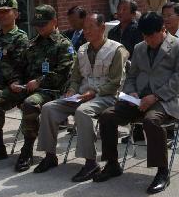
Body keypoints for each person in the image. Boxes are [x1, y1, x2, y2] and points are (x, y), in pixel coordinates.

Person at [94, 12, 179, 194]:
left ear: (163, 30)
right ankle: (112, 163)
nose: (147, 40)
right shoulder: (140, 47)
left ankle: (162, 171)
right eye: (144, 36)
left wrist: (155, 97)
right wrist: (132, 92)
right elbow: (131, 76)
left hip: (165, 100)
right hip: (137, 99)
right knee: (107, 116)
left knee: (151, 121)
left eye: (151, 36)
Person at [34, 13, 129, 180]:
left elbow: (116, 82)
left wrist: (93, 93)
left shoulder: (116, 50)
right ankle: (50, 156)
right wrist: (71, 90)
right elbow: (76, 77)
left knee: (83, 112)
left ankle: (91, 163)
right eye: (85, 28)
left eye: (91, 27)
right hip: (81, 95)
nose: (87, 31)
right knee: (49, 108)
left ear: (102, 28)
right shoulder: (82, 49)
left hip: (107, 96)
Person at [9, 5, 75, 173]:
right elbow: (19, 67)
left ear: (54, 22)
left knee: (30, 103)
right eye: (37, 25)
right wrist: (15, 81)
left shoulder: (63, 44)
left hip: (51, 91)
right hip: (28, 88)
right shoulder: (32, 44)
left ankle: (27, 149)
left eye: (43, 24)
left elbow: (64, 73)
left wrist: (39, 81)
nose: (39, 28)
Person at [0, 0, 30, 161]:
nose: (1, 15)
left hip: (15, 86)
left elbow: (18, 68)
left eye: (6, 11)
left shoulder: (20, 38)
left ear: (16, 14)